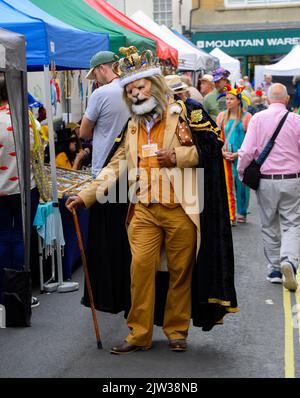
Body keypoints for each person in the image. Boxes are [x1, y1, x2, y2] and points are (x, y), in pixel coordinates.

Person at [66, 46, 238, 354]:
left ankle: (176, 330)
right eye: (130, 89)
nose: (135, 93)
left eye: (140, 86)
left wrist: (177, 156)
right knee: (140, 269)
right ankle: (139, 333)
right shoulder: (132, 126)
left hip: (181, 210)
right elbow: (115, 166)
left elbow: (210, 152)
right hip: (143, 210)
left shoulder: (186, 113)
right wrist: (86, 195)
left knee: (180, 272)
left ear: (155, 85)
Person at [237, 83, 300, 291]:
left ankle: (274, 269)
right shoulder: (296, 120)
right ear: (287, 100)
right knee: (292, 223)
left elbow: (246, 151)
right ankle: (289, 260)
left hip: (265, 180)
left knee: (269, 223)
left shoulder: (257, 119)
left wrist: (241, 172)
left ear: (267, 99)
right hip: (292, 178)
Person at [0, 74, 40, 307]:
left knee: (3, 237)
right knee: (21, 238)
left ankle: (5, 291)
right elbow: (36, 148)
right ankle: (20, 291)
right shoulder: (23, 117)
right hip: (24, 188)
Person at [79, 50, 130, 178]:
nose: (96, 80)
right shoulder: (132, 88)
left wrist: (101, 129)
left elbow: (83, 132)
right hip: (130, 164)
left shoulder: (100, 93)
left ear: (102, 68)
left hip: (105, 165)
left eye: (95, 75)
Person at [216, 85, 252, 225]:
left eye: (231, 99)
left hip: (241, 155)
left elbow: (251, 138)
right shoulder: (221, 116)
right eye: (227, 99)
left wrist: (238, 154)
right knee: (227, 184)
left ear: (238, 100)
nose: (228, 101)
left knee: (241, 184)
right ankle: (230, 213)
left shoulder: (246, 116)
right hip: (225, 154)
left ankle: (242, 211)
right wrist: (222, 151)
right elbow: (217, 136)